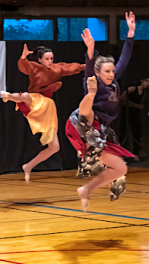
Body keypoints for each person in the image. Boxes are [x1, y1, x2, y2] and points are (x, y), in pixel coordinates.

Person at [66, 11, 136, 212]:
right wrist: (90, 49)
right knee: (89, 95)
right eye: (107, 71)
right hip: (84, 118)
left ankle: (86, 190)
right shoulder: (94, 78)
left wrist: (130, 33)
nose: (111, 74)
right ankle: (87, 103)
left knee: (121, 168)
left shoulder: (113, 82)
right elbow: (89, 69)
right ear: (98, 72)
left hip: (100, 129)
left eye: (113, 71)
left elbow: (125, 57)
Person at [1, 44, 84, 182]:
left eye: (51, 58)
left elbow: (72, 68)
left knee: (54, 147)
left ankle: (28, 166)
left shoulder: (57, 68)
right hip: (36, 100)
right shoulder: (35, 67)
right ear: (40, 59)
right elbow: (24, 67)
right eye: (47, 59)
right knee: (27, 96)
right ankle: (9, 96)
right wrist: (23, 57)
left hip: (48, 107)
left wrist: (87, 66)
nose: (50, 61)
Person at [119, 77, 149, 161]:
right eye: (147, 81)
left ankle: (136, 152)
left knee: (137, 130)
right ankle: (122, 152)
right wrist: (134, 104)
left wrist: (140, 106)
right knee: (124, 130)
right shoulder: (132, 88)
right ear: (142, 81)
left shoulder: (144, 92)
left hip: (136, 113)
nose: (148, 84)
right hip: (127, 111)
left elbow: (141, 102)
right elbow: (122, 98)